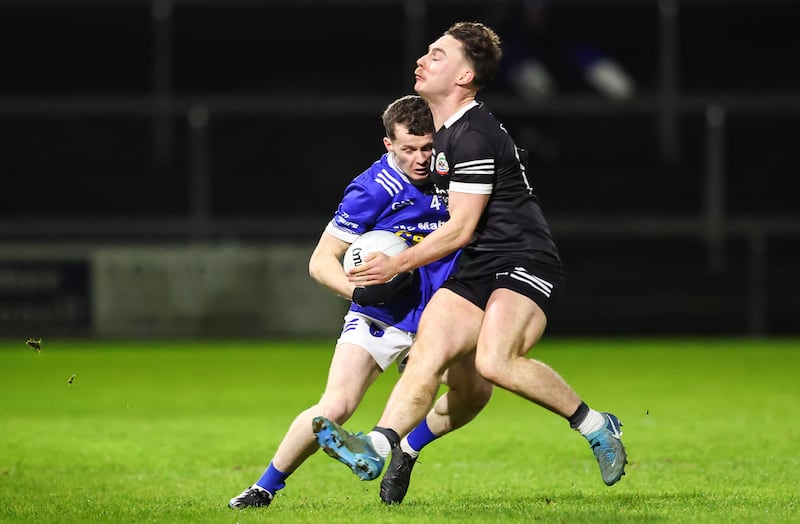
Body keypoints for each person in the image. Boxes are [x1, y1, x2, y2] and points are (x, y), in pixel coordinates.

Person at [312, 22, 627, 495]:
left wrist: (396, 263)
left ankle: (596, 424)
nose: (422, 60)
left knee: (495, 364)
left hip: (524, 259)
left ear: (463, 76)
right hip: (477, 266)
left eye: (437, 55)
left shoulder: (473, 134)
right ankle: (378, 446)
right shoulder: (443, 136)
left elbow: (459, 228)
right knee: (425, 358)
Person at [228, 94, 492, 509]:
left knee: (475, 392)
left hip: (444, 311)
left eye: (428, 147)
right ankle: (264, 487)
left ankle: (405, 448)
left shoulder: (458, 173)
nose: (420, 158)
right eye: (408, 149)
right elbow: (320, 261)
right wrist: (362, 292)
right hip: (382, 314)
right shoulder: (373, 189)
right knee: (336, 405)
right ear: (388, 144)